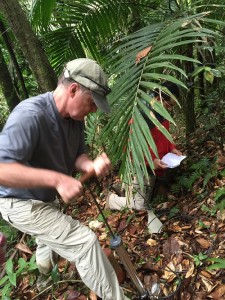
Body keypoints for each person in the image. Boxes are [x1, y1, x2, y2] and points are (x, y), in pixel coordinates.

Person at [0, 58, 129, 300]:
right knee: (86, 243)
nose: (93, 111)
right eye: (91, 103)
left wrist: (89, 165)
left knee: (46, 239)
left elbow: (77, 156)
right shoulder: (30, 115)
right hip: (18, 203)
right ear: (73, 90)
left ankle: (43, 275)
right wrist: (58, 180)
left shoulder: (75, 120)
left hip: (44, 198)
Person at [106, 82, 182, 233]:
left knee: (152, 189)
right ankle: (111, 200)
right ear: (160, 99)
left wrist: (172, 148)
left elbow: (164, 135)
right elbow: (132, 148)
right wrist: (151, 161)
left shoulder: (161, 112)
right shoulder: (141, 115)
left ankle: (127, 186)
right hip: (144, 167)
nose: (171, 108)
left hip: (158, 163)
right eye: (169, 104)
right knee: (141, 205)